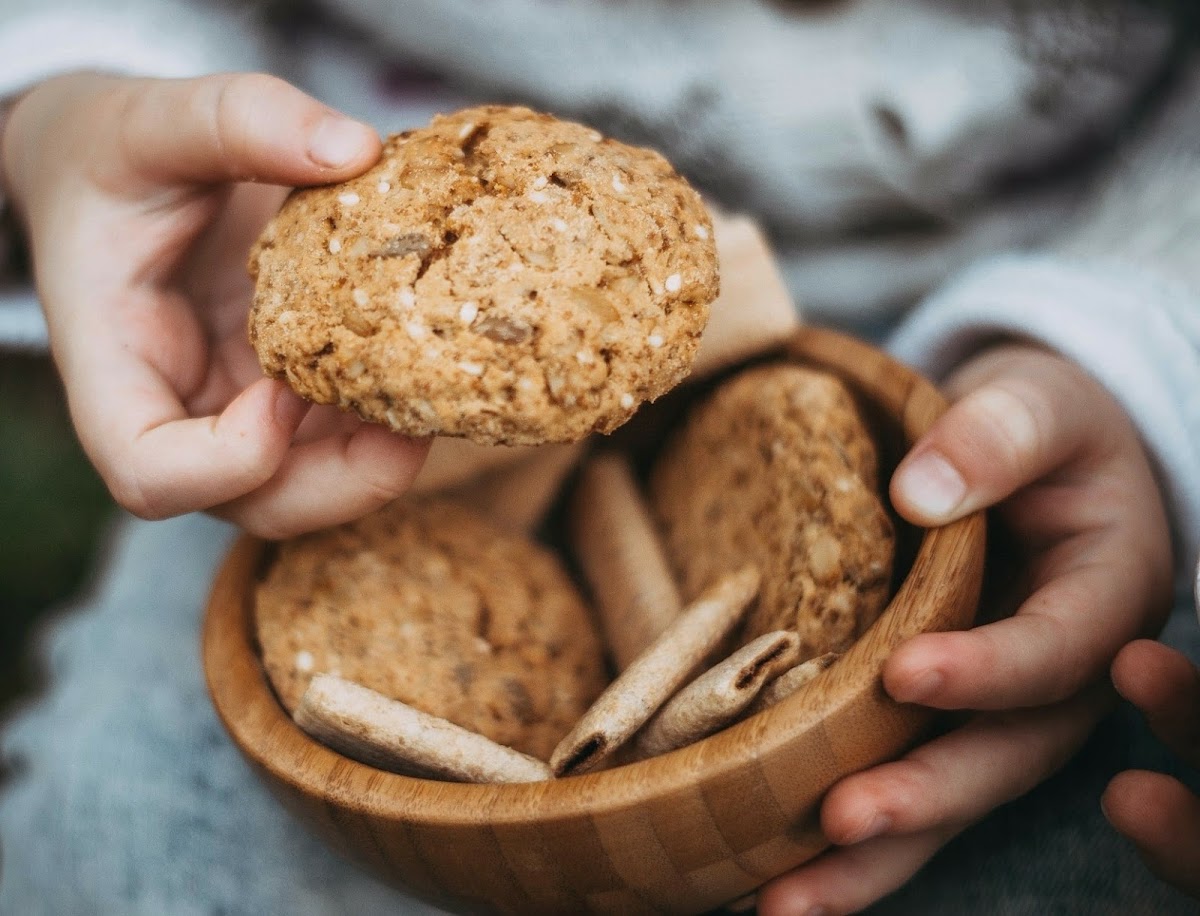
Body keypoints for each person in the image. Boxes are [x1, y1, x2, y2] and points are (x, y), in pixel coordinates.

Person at [0, 1, 1198, 913]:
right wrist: (66, 101)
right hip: (309, 369)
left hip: (1054, 337)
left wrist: (1132, 340)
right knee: (121, 842)